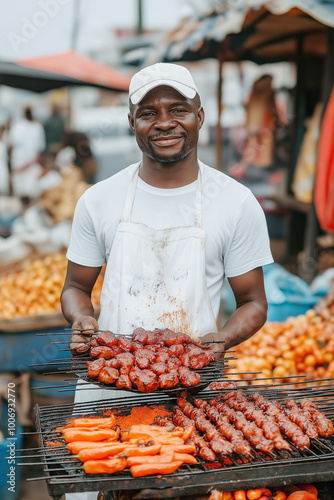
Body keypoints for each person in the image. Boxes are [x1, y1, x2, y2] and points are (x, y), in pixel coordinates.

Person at [61, 62, 273, 500]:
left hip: (192, 396)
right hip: (106, 390)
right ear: (132, 123)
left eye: (177, 109)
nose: (164, 123)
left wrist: (223, 338)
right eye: (148, 112)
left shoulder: (235, 203)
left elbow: (253, 301)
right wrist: (82, 320)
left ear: (199, 115)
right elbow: (75, 288)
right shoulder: (99, 200)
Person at [8, 106, 46, 199]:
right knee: (30, 195)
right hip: (26, 166)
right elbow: (39, 151)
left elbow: (11, 146)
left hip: (22, 166)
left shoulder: (18, 126)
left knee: (22, 194)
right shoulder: (37, 127)